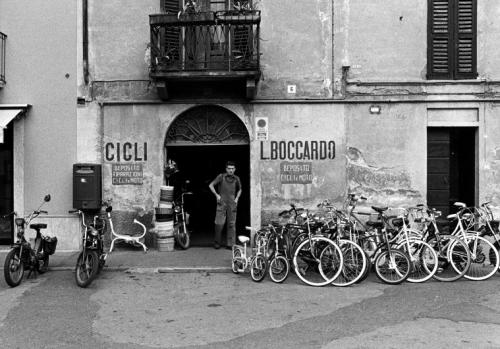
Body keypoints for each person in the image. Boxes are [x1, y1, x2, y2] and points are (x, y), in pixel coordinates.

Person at [208, 161, 242, 249]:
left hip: (232, 203)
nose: (231, 170)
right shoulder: (221, 177)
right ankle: (217, 243)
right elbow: (211, 185)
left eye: (232, 169)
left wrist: (237, 198)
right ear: (226, 169)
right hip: (222, 202)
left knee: (231, 224)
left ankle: (230, 244)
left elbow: (240, 189)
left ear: (235, 169)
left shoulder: (236, 178)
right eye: (229, 168)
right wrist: (216, 195)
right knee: (219, 223)